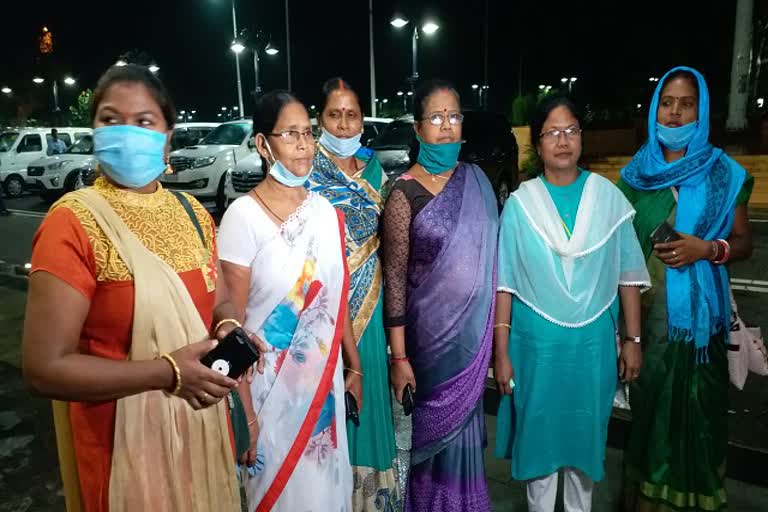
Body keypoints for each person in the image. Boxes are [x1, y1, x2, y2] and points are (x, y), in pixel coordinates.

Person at [22, 64, 244, 511]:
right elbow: (44, 367)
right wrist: (168, 373)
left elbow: (217, 298)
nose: (126, 131)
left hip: (199, 427)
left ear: (166, 136)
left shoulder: (191, 212)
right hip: (120, 448)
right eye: (109, 119)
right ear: (94, 132)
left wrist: (229, 327)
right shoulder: (73, 221)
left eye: (143, 121)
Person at [493, 95, 650, 512]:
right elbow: (504, 283)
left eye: (571, 131)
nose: (563, 141)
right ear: (538, 142)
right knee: (539, 451)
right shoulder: (521, 205)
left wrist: (632, 339)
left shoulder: (607, 199)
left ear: (582, 136)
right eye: (552, 133)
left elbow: (628, 275)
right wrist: (501, 352)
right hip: (535, 349)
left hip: (592, 349)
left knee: (584, 450)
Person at [619, 66, 754, 512]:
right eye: (668, 103)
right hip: (649, 324)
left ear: (703, 110)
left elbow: (743, 243)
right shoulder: (635, 176)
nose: (675, 114)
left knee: (699, 421)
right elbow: (617, 251)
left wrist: (705, 249)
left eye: (687, 104)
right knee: (650, 419)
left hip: (702, 331)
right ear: (656, 108)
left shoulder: (724, 172)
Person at [218, 90, 359, 512]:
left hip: (323, 391)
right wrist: (247, 417)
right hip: (267, 396)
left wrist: (356, 367)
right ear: (263, 144)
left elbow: (335, 301)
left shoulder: (325, 213)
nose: (303, 144)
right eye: (289, 134)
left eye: (308, 133)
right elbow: (231, 327)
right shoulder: (242, 218)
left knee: (328, 494)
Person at [382, 79, 497, 511]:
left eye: (454, 116)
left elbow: (492, 259)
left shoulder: (477, 180)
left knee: (465, 443)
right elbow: (393, 277)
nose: (447, 126)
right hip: (426, 349)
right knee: (428, 449)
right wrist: (399, 358)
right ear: (417, 128)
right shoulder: (403, 192)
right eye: (436, 117)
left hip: (468, 345)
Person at [307, 77, 399, 511]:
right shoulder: (306, 173)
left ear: (363, 119)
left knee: (370, 399)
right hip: (322, 309)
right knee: (327, 403)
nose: (344, 125)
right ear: (319, 118)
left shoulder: (376, 171)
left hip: (372, 303)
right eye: (334, 115)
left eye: (352, 115)